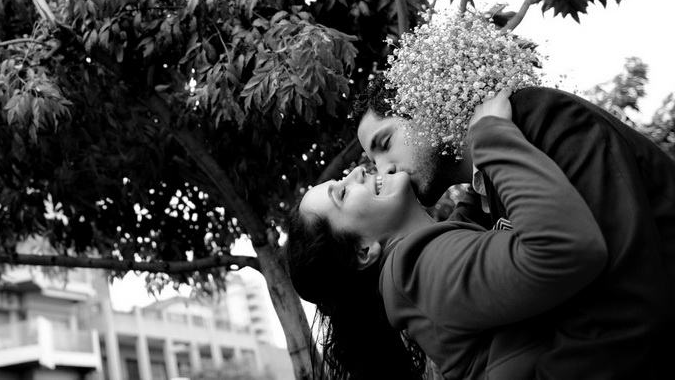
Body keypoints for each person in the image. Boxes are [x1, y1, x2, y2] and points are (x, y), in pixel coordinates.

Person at [355, 80, 675, 379]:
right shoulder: (491, 183)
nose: (386, 172)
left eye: (384, 143)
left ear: (425, 105)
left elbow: (627, 303)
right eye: (374, 162)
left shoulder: (540, 116)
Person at [287, 89, 607, 380]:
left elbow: (474, 197)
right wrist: (493, 135)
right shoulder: (419, 272)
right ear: (363, 251)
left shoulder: (437, 251)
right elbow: (566, 250)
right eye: (341, 194)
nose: (357, 171)